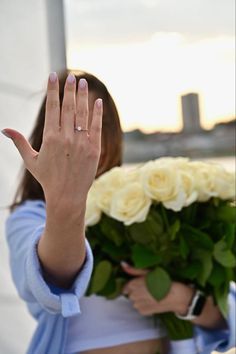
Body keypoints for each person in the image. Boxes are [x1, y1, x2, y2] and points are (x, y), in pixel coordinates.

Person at [2, 70, 235, 354]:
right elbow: (53, 279)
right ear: (47, 135)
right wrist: (66, 200)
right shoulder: (29, 217)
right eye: (71, 125)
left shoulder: (151, 208)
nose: (81, 140)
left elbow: (228, 308)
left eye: (95, 124)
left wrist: (184, 299)